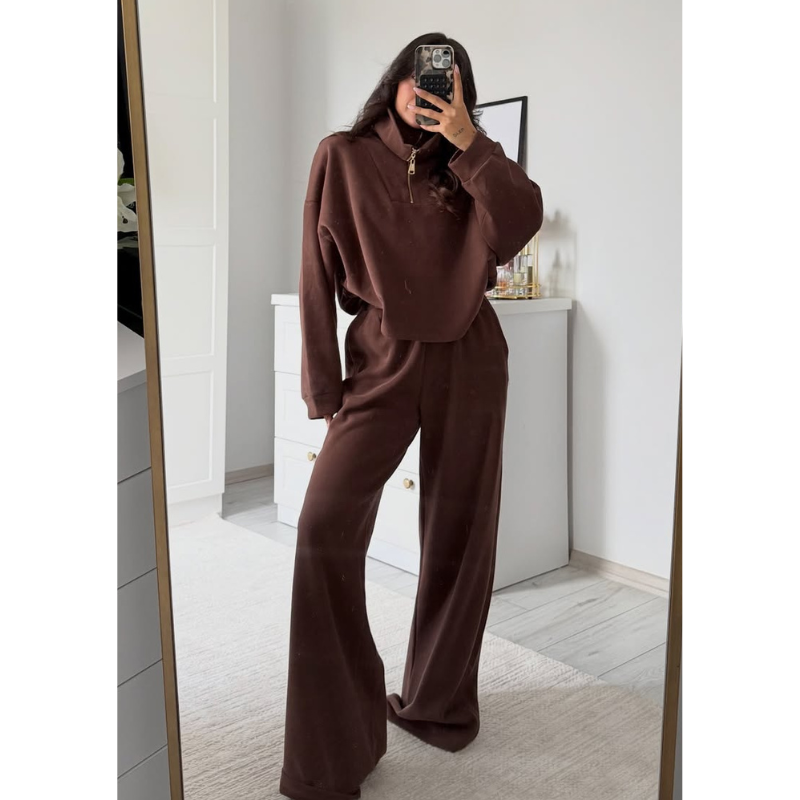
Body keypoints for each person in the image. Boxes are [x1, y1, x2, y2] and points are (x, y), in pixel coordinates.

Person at [279, 33, 543, 800]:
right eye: (423, 78)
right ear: (396, 79)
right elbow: (314, 272)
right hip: (382, 359)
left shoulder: (473, 162)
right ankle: (335, 748)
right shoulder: (342, 155)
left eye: (450, 84)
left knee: (461, 537)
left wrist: (469, 142)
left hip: (471, 358)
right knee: (323, 530)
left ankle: (437, 706)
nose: (432, 92)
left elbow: (521, 223)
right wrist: (323, 386)